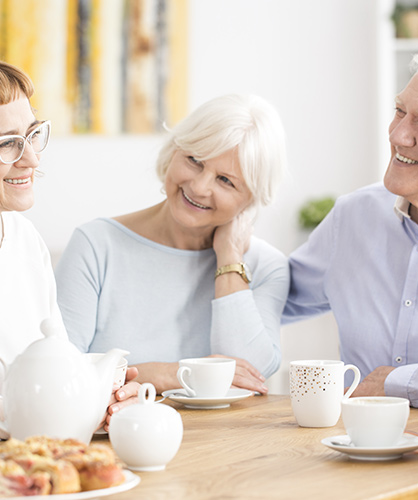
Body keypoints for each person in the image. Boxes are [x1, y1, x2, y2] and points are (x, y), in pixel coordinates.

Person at [55, 94, 289, 395]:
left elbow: (249, 375)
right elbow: (59, 375)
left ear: (252, 198)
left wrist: (229, 258)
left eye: (226, 181)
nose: (200, 187)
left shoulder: (266, 266)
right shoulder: (96, 245)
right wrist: (165, 374)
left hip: (226, 439)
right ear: (174, 152)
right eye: (195, 161)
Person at [0, 59, 139, 441]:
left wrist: (101, 398)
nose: (32, 158)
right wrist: (38, 411)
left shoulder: (23, 240)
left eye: (33, 134)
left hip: (30, 464)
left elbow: (56, 363)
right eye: (7, 143)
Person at [282, 32, 418, 411]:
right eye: (399, 111)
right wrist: (228, 241)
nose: (397, 135)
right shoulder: (354, 216)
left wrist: (397, 382)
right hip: (355, 455)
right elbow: (276, 296)